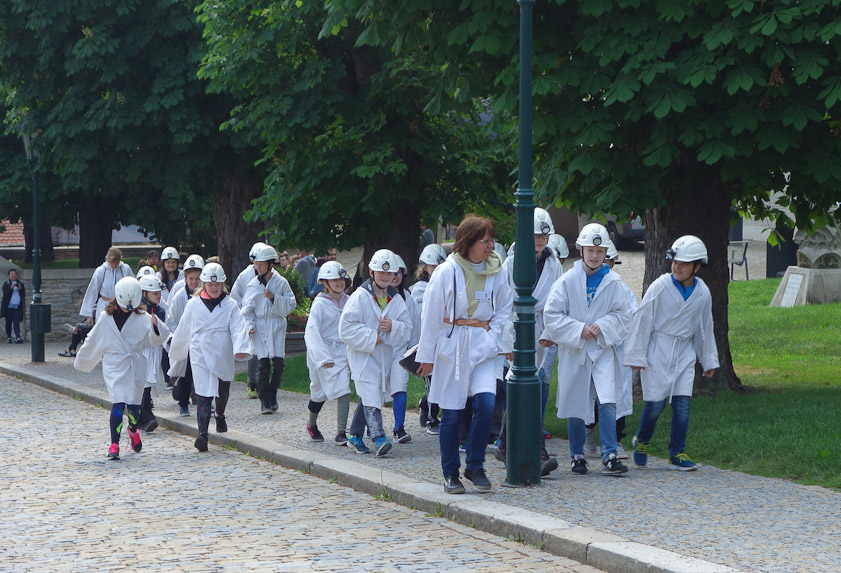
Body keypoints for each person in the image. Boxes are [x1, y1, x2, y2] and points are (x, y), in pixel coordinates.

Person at [416, 214, 513, 494]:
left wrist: (491, 336)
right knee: (453, 412)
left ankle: (475, 464)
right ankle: (450, 473)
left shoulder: (497, 270)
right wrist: (427, 355)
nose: (490, 246)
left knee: (485, 404)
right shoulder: (448, 272)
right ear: (468, 243)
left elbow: (505, 306)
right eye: (484, 241)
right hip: (453, 346)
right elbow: (431, 315)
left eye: (491, 240)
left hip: (482, 346)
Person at [540, 223, 633, 476]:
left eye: (600, 251)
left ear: (606, 254)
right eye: (590, 250)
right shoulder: (566, 280)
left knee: (607, 399)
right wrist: (578, 329)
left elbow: (624, 315)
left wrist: (602, 326)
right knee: (575, 400)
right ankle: (577, 455)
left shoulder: (614, 282)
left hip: (602, 349)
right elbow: (552, 314)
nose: (594, 256)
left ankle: (610, 454)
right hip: (577, 349)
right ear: (581, 250)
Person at [624, 235, 719, 471]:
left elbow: (704, 327)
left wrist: (708, 359)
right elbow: (643, 319)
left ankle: (677, 452)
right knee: (655, 405)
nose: (677, 267)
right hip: (658, 351)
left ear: (697, 266)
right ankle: (642, 441)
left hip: (684, 354)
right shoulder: (660, 286)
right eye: (675, 262)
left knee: (682, 405)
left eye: (684, 264)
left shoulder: (702, 293)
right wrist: (637, 355)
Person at [497, 207, 563, 473]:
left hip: (542, 333)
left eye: (544, 236)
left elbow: (557, 301)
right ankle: (537, 450)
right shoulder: (510, 264)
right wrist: (508, 345)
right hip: (517, 330)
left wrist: (550, 332)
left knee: (531, 389)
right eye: (536, 235)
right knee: (521, 389)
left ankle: (505, 445)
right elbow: (502, 306)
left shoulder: (553, 263)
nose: (540, 240)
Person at [74, 277, 169, 460]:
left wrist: (157, 327)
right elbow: (95, 339)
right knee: (118, 403)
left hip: (135, 365)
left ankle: (133, 429)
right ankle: (114, 444)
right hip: (115, 365)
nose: (127, 309)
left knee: (134, 406)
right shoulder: (106, 317)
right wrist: (84, 359)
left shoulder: (143, 318)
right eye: (125, 306)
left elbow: (157, 338)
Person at [168, 263, 251, 451]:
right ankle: (202, 434)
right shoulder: (193, 304)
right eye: (211, 285)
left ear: (222, 285)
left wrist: (240, 347)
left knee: (222, 389)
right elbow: (183, 329)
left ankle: (220, 414)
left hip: (222, 350)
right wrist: (176, 350)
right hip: (200, 351)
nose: (214, 288)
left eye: (218, 285)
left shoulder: (230, 304)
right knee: (203, 392)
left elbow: (238, 327)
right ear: (204, 284)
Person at [339, 249, 412, 457]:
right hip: (363, 357)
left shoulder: (396, 300)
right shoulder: (359, 298)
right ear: (372, 272)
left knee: (370, 394)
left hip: (384, 358)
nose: (387, 277)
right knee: (371, 394)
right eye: (382, 273)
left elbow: (407, 328)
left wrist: (393, 327)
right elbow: (345, 329)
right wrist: (374, 337)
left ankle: (354, 436)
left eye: (390, 274)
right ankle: (378, 437)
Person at [583, 241, 637, 459]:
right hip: (588, 345)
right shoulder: (580, 283)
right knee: (588, 394)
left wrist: (611, 332)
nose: (602, 262)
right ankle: (587, 434)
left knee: (615, 396)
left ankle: (615, 439)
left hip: (613, 347)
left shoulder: (620, 287)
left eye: (607, 258)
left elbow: (630, 317)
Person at [241, 245, 297, 414]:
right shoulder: (252, 285)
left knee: (278, 364)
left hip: (277, 326)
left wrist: (274, 298)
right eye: (256, 265)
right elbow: (246, 310)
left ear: (270, 265)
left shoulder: (281, 283)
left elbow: (290, 305)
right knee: (263, 364)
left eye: (261, 265)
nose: (258, 268)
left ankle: (273, 392)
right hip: (260, 326)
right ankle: (265, 400)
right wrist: (250, 326)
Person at [304, 261, 352, 445]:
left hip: (342, 351)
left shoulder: (348, 301)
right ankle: (312, 424)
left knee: (343, 390)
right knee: (318, 393)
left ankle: (341, 431)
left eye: (341, 278)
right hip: (323, 352)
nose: (339, 282)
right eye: (334, 279)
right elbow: (312, 332)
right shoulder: (319, 305)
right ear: (325, 282)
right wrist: (323, 358)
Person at [61, 247, 133, 358]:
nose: (114, 265)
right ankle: (104, 355)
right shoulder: (101, 271)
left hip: (121, 304)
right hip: (105, 304)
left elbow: (132, 285)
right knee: (104, 331)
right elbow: (92, 291)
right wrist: (89, 314)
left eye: (116, 262)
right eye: (112, 262)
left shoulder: (125, 269)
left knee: (121, 330)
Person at [411, 243, 447, 432]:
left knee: (441, 382)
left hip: (444, 340)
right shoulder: (419, 289)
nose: (436, 269)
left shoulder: (447, 283)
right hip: (427, 342)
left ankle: (426, 405)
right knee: (432, 383)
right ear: (425, 267)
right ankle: (432, 419)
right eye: (432, 266)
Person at [386, 254, 420, 444]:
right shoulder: (373, 296)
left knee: (400, 387)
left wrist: (414, 350)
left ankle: (399, 427)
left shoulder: (409, 299)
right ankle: (368, 425)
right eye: (392, 272)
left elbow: (414, 325)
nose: (395, 276)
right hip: (379, 350)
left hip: (400, 351)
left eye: (398, 272)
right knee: (373, 389)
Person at [167, 254, 205, 415]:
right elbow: (172, 319)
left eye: (197, 279)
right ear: (185, 278)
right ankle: (183, 402)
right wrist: (178, 335)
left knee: (204, 371)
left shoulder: (206, 295)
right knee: (187, 372)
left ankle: (204, 400)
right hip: (185, 340)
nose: (194, 282)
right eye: (191, 279)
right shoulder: (179, 296)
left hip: (202, 339)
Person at [231, 242, 266, 399]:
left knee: (267, 352)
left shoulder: (273, 275)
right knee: (253, 351)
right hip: (251, 317)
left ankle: (265, 383)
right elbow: (235, 297)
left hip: (266, 318)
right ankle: (252, 382)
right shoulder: (245, 276)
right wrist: (244, 315)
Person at [137, 274, 168, 433]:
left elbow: (162, 330)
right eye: (154, 293)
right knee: (143, 382)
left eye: (159, 293)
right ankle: (146, 416)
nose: (158, 295)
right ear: (144, 294)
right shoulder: (137, 311)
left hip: (153, 350)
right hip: (141, 351)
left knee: (147, 382)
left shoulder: (160, 311)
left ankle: (143, 416)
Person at [2, 268, 25, 344]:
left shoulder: (20, 284)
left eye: (14, 274)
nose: (13, 276)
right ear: (9, 275)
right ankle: (9, 337)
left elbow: (23, 294)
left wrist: (20, 289)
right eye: (11, 274)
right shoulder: (6, 284)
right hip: (8, 307)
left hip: (17, 307)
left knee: (16, 321)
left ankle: (18, 337)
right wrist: (11, 288)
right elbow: (5, 294)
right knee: (8, 322)